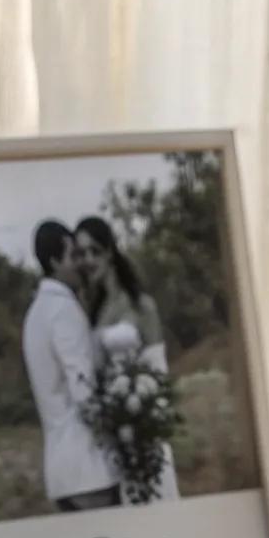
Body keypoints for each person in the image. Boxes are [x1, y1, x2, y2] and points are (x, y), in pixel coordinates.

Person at [75, 215, 181, 502]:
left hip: (144, 426)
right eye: (81, 254)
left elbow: (159, 369)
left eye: (94, 251)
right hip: (115, 432)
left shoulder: (140, 305)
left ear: (110, 252)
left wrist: (147, 413)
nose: (87, 260)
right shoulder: (92, 310)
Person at [21, 220, 121, 512]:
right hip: (89, 469)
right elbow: (84, 389)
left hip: (63, 472)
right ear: (54, 261)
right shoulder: (63, 310)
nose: (81, 264)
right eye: (73, 256)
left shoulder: (36, 313)